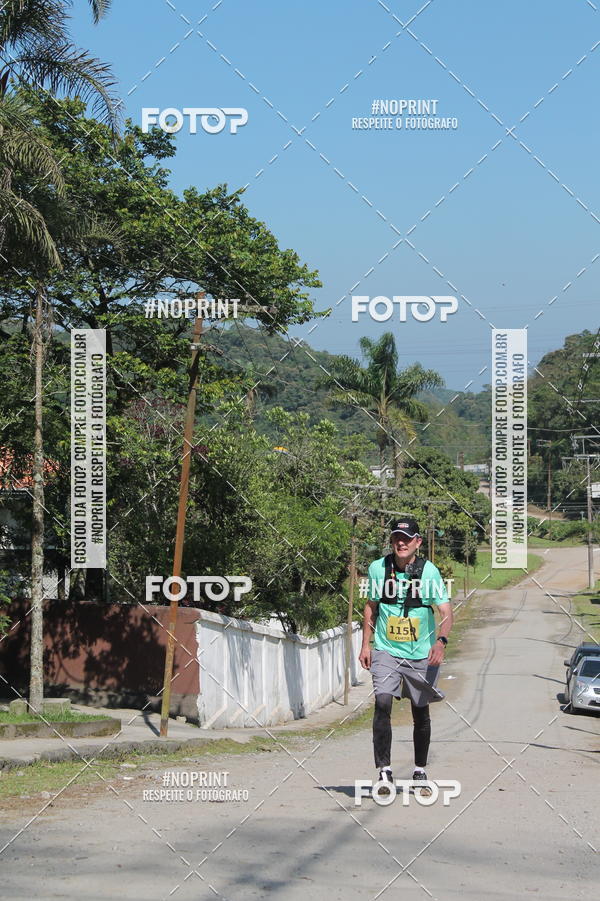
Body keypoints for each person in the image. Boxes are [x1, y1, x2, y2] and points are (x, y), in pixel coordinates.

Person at [359, 516, 453, 792]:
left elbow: (446, 613)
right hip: (386, 649)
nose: (401, 543)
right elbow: (371, 606)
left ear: (417, 542)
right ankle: (384, 770)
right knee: (383, 702)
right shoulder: (378, 568)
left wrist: (441, 641)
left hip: (421, 653)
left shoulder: (429, 572)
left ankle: (419, 770)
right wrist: (366, 644)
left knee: (420, 711)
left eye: (407, 538)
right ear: (391, 541)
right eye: (396, 538)